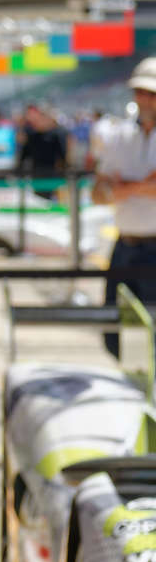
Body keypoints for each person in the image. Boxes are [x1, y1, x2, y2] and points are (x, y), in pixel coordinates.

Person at [94, 60, 156, 359]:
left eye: (151, 94)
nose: (145, 100)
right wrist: (141, 187)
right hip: (125, 244)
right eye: (140, 92)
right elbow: (99, 192)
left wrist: (123, 189)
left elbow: (107, 190)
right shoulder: (120, 136)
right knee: (114, 333)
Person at [17, 104, 70, 201]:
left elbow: (62, 156)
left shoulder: (56, 134)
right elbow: (24, 155)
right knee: (39, 198)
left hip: (52, 173)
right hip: (36, 173)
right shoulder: (32, 135)